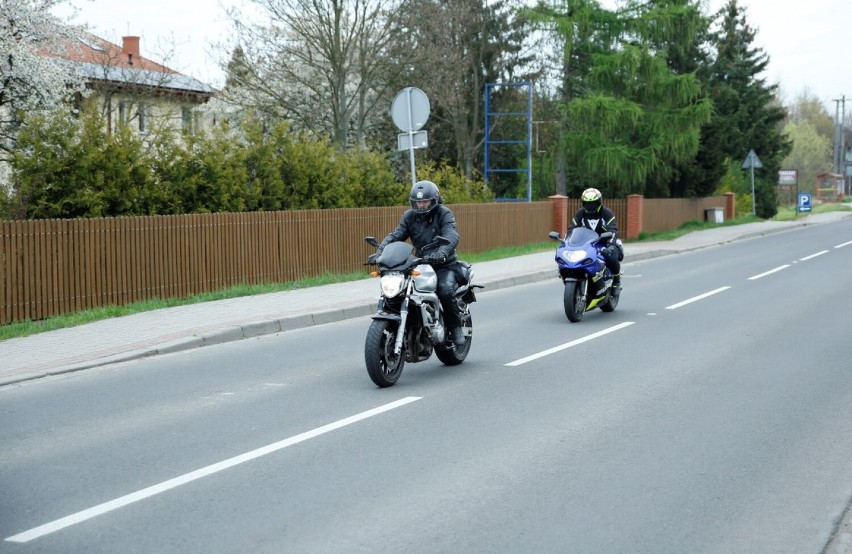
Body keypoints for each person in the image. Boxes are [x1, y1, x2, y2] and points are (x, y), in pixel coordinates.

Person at [368, 180, 465, 346]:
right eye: (418, 202)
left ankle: (456, 328)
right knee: (398, 291)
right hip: (420, 263)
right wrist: (380, 252)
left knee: (445, 290)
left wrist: (442, 252)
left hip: (443, 263)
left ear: (435, 200)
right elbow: (396, 235)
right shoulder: (409, 216)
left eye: (425, 201)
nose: (421, 205)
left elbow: (451, 235)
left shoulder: (444, 214)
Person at [569, 187, 622, 290]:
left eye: (593, 203)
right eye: (587, 203)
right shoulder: (580, 213)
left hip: (605, 243)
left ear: (599, 202)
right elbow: (572, 229)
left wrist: (610, 246)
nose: (590, 206)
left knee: (611, 257)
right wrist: (568, 243)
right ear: (583, 203)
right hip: (586, 244)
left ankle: (616, 281)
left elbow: (613, 230)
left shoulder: (607, 213)